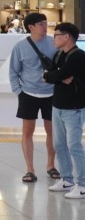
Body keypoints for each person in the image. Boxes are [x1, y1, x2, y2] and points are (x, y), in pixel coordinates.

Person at [8, 12, 58, 183]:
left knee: (52, 131)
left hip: (51, 93)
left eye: (46, 24)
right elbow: (13, 71)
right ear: (31, 27)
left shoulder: (54, 43)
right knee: (27, 131)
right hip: (28, 94)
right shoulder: (20, 47)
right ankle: (30, 169)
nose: (45, 27)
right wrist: (19, 91)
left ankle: (51, 165)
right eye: (41, 24)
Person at [44, 22, 85, 198]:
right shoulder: (59, 54)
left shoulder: (78, 56)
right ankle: (67, 179)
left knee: (74, 145)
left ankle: (82, 184)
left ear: (66, 37)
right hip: (57, 105)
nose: (54, 38)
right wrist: (55, 76)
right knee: (59, 145)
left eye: (56, 34)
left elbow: (56, 75)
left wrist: (55, 76)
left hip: (73, 107)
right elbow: (50, 75)